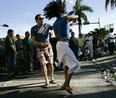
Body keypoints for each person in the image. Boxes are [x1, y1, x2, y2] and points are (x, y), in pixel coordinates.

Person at [44, 0, 80, 94]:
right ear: (61, 11)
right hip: (63, 45)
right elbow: (75, 16)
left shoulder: (55, 23)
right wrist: (78, 14)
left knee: (66, 65)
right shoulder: (65, 18)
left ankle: (65, 84)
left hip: (59, 44)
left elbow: (56, 35)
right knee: (75, 64)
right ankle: (66, 84)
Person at [31, 14, 57, 88]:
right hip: (39, 48)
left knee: (51, 64)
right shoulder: (33, 29)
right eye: (40, 18)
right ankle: (46, 81)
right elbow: (33, 42)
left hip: (48, 47)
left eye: (43, 18)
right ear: (36, 20)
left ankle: (52, 78)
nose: (42, 20)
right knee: (43, 64)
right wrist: (42, 44)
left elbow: (55, 27)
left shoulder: (47, 25)